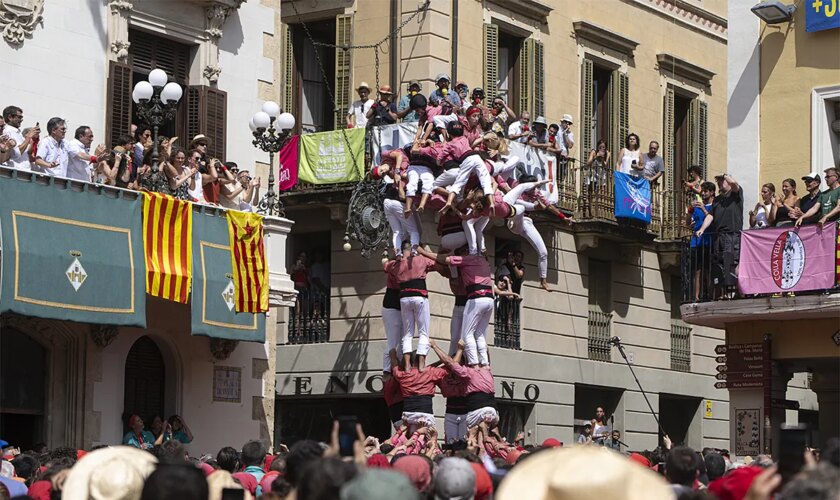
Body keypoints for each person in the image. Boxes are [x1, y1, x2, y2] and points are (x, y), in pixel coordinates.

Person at [418, 245, 494, 366]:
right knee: (460, 338)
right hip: (465, 303)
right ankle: (462, 364)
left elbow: (445, 260)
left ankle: (474, 364)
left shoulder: (469, 260)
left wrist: (423, 251)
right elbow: (442, 267)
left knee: (469, 335)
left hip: (472, 301)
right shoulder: (463, 267)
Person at [696, 173, 743, 299]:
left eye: (722, 181)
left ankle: (733, 292)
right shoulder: (717, 200)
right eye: (718, 182)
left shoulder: (735, 195)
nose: (719, 183)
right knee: (720, 264)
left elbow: (734, 184)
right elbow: (710, 216)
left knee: (731, 262)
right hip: (719, 236)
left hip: (732, 234)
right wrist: (702, 228)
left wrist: (725, 175)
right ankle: (723, 293)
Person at [688, 181, 715, 301]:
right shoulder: (697, 208)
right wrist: (690, 210)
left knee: (708, 270)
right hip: (695, 242)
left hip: (708, 242)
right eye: (702, 191)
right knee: (696, 271)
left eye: (705, 191)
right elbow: (688, 223)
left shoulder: (714, 207)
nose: (703, 194)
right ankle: (696, 296)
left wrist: (704, 209)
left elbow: (713, 221)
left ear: (712, 192)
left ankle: (710, 295)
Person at [2, 106, 38, 172]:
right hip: (15, 171)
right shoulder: (8, 131)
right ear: (10, 117)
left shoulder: (17, 132)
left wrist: (31, 141)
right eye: (19, 117)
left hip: (24, 171)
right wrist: (28, 137)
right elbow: (16, 154)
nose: (21, 120)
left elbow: (26, 153)